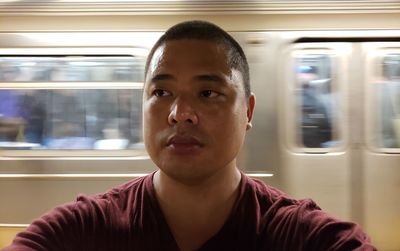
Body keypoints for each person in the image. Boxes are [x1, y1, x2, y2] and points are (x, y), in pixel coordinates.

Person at [3, 20, 376, 251]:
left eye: (208, 93)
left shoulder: (302, 237)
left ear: (247, 111)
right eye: (161, 93)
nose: (179, 113)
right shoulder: (81, 232)